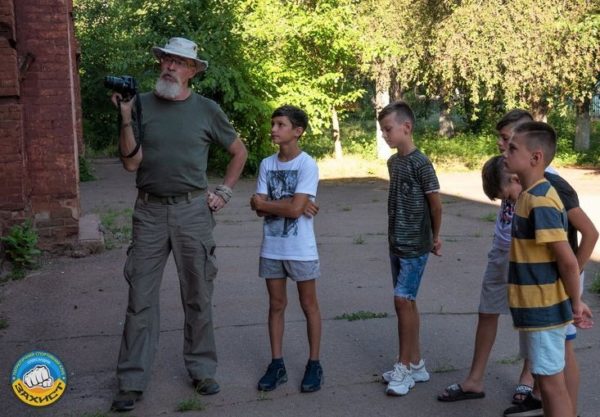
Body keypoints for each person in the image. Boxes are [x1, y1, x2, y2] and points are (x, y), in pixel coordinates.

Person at [109, 37, 248, 412]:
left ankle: (202, 370)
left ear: (192, 71)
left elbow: (239, 152)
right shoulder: (138, 105)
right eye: (167, 60)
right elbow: (130, 164)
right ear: (160, 64)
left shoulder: (207, 110)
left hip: (192, 212)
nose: (171, 66)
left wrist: (225, 191)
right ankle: (131, 381)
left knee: (198, 294)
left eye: (180, 62)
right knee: (140, 299)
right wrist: (124, 117)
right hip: (149, 213)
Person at [438, 110, 538, 403]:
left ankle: (528, 378)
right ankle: (475, 380)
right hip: (502, 251)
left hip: (529, 257)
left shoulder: (541, 174)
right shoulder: (506, 165)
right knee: (487, 310)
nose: (500, 143)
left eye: (506, 138)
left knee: (531, 319)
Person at [502, 121, 592, 417]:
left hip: (544, 310)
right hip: (537, 308)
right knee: (547, 380)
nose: (505, 152)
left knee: (553, 385)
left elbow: (566, 260)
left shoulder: (541, 199)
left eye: (513, 148)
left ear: (535, 158)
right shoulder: (529, 195)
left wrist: (575, 302)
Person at [249, 105, 323, 393]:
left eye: (280, 125)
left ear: (297, 131)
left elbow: (289, 210)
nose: (274, 129)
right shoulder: (267, 164)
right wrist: (290, 205)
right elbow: (269, 210)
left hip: (301, 248)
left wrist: (266, 204)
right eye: (273, 124)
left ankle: (314, 364)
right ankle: (276, 363)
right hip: (272, 248)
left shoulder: (307, 164)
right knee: (276, 305)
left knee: (309, 306)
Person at [378, 101, 442, 396]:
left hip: (416, 244)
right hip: (396, 242)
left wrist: (435, 236)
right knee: (407, 302)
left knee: (402, 301)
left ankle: (403, 367)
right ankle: (416, 365)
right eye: (383, 130)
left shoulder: (421, 163)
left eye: (388, 129)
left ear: (407, 127)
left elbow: (435, 203)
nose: (385, 135)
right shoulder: (394, 162)